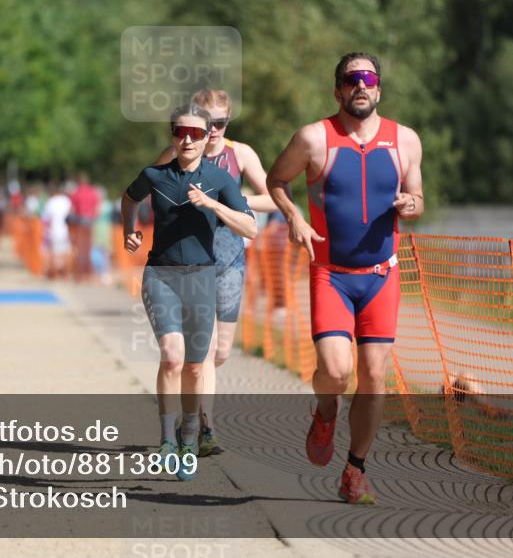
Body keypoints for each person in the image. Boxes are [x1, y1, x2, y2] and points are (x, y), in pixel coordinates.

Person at [266, 52, 424, 504]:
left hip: (381, 277)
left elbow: (417, 194)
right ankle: (325, 409)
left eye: (368, 78)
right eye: (351, 79)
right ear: (337, 89)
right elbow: (277, 180)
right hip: (332, 274)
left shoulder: (405, 141)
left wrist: (413, 205)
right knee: (336, 373)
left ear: (378, 88)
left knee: (375, 377)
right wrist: (294, 216)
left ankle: (355, 469)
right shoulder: (314, 139)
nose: (361, 85)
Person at [122, 102, 257, 480]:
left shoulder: (220, 179)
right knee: (172, 355)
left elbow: (250, 229)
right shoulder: (154, 175)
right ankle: (166, 440)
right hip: (161, 275)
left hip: (202, 278)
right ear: (172, 135)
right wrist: (127, 229)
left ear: (207, 136)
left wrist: (212, 203)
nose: (187, 139)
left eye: (196, 133)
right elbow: (129, 198)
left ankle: (190, 438)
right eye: (180, 132)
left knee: (198, 366)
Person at [149, 89, 277, 457]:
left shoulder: (241, 155)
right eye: (208, 122)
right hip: (188, 263)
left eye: (221, 122)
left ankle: (192, 412)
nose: (214, 130)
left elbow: (272, 197)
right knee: (198, 353)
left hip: (230, 259)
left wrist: (231, 199)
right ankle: (204, 427)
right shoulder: (180, 150)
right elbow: (150, 183)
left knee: (220, 352)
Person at [69, 172, 101, 282]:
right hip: (90, 222)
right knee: (88, 249)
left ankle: (79, 274)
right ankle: (88, 273)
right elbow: (97, 209)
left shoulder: (76, 192)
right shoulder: (93, 192)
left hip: (79, 223)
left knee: (79, 249)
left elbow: (72, 209)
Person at [42, 184, 72, 279]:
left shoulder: (50, 201)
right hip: (66, 230)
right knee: (66, 252)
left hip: (54, 230)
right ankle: (65, 273)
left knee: (54, 252)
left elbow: (46, 218)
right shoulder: (67, 201)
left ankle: (54, 274)